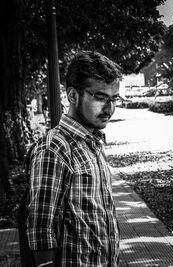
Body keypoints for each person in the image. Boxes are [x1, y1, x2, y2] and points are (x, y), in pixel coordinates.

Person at [26, 51, 123, 267]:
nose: (109, 109)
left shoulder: (94, 141)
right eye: (100, 97)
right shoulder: (54, 148)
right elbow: (42, 229)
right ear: (72, 96)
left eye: (114, 99)